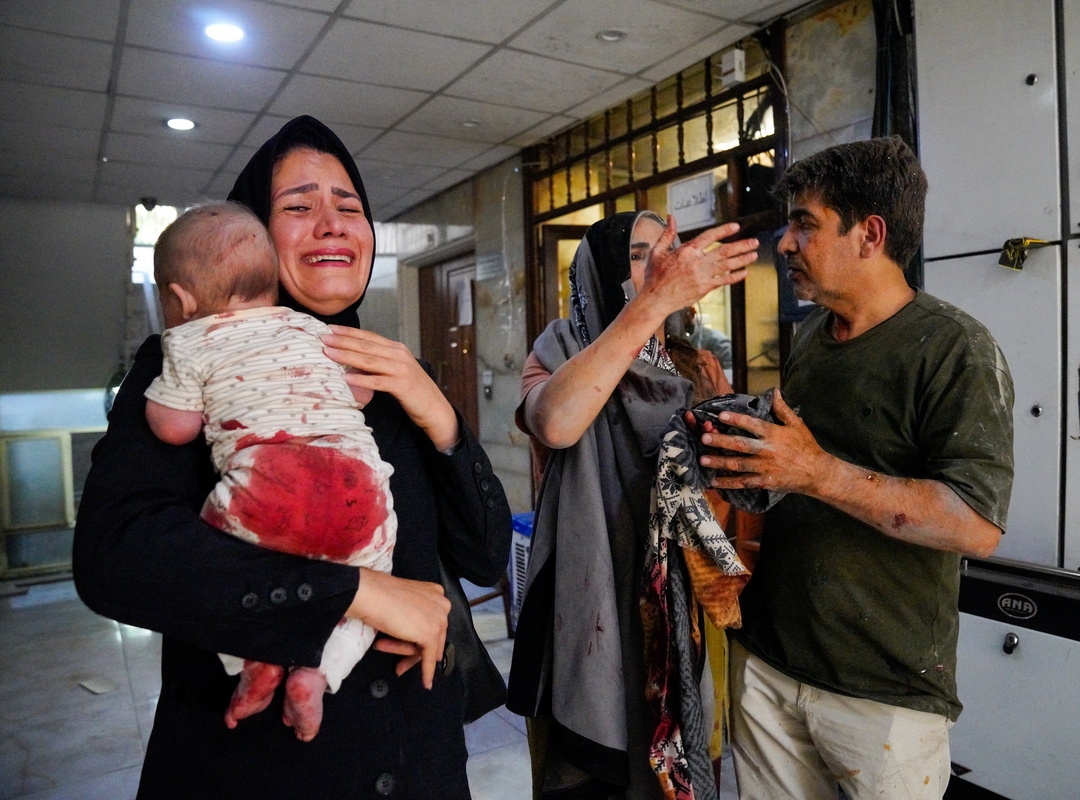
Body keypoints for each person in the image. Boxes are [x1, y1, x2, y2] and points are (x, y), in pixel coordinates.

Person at [73, 115, 512, 799]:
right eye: (299, 208)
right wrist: (362, 593)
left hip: (419, 764)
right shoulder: (193, 357)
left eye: (350, 208)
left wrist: (442, 419)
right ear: (251, 238)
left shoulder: (399, 373)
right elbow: (116, 558)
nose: (332, 225)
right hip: (258, 773)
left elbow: (484, 558)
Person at [697, 136, 1014, 800]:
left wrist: (816, 473)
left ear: (870, 234)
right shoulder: (812, 336)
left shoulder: (955, 348)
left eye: (804, 224)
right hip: (771, 660)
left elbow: (975, 526)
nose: (784, 242)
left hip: (882, 691)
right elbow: (793, 470)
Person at [506, 210, 759, 800]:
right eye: (639, 255)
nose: (659, 266)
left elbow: (728, 488)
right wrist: (651, 302)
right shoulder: (559, 350)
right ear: (599, 272)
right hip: (585, 602)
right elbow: (557, 422)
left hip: (680, 600)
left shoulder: (695, 366)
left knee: (679, 762)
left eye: (666, 252)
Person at [143, 200, 396, 742]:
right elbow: (360, 392)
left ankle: (255, 662)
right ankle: (318, 673)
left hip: (266, 488)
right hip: (358, 487)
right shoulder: (311, 329)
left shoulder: (187, 339)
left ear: (181, 300)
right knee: (377, 576)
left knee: (223, 568)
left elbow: (174, 427)